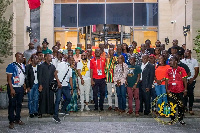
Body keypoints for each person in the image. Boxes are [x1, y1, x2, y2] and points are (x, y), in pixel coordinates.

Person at [166, 56, 187, 125]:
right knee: (172, 105)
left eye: (171, 61)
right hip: (171, 90)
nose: (169, 62)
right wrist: (167, 89)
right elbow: (166, 80)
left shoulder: (181, 69)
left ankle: (181, 119)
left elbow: (184, 80)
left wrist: (185, 89)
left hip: (180, 90)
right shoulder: (168, 70)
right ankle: (172, 119)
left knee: (181, 105)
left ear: (175, 61)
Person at [6, 52, 26, 129]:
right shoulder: (11, 65)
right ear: (17, 57)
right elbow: (9, 79)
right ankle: (11, 121)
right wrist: (11, 89)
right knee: (12, 104)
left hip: (20, 87)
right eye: (22, 56)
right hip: (13, 87)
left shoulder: (23, 66)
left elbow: (22, 76)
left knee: (19, 104)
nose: (23, 58)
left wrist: (24, 85)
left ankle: (17, 119)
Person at [53, 55, 73, 123]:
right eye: (71, 60)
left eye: (73, 60)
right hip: (59, 85)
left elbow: (70, 79)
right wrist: (58, 82)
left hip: (65, 86)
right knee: (58, 100)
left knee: (69, 98)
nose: (72, 61)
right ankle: (55, 116)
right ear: (67, 59)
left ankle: (63, 109)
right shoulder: (60, 64)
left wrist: (72, 88)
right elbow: (55, 74)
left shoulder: (70, 69)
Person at [181, 49, 199, 115]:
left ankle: (190, 108)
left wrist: (193, 78)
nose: (185, 53)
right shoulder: (182, 61)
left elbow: (196, 70)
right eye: (185, 52)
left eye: (187, 52)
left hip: (191, 80)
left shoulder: (194, 61)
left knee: (191, 94)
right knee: (184, 94)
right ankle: (184, 107)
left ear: (190, 53)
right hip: (183, 80)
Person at [25, 54, 40, 118]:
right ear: (32, 59)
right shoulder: (28, 67)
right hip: (31, 85)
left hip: (37, 85)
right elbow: (26, 77)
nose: (38, 60)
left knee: (36, 99)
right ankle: (31, 112)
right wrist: (27, 86)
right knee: (30, 99)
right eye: (36, 59)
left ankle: (35, 111)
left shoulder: (39, 67)